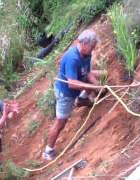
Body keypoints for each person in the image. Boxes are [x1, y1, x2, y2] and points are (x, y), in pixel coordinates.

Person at [42, 30, 107, 161]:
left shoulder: (87, 54)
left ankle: (82, 99)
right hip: (65, 93)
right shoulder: (72, 58)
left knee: (101, 74)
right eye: (92, 46)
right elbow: (72, 84)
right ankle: (48, 150)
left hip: (78, 81)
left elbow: (87, 73)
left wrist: (99, 87)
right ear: (83, 44)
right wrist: (94, 87)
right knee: (61, 122)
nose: (93, 49)